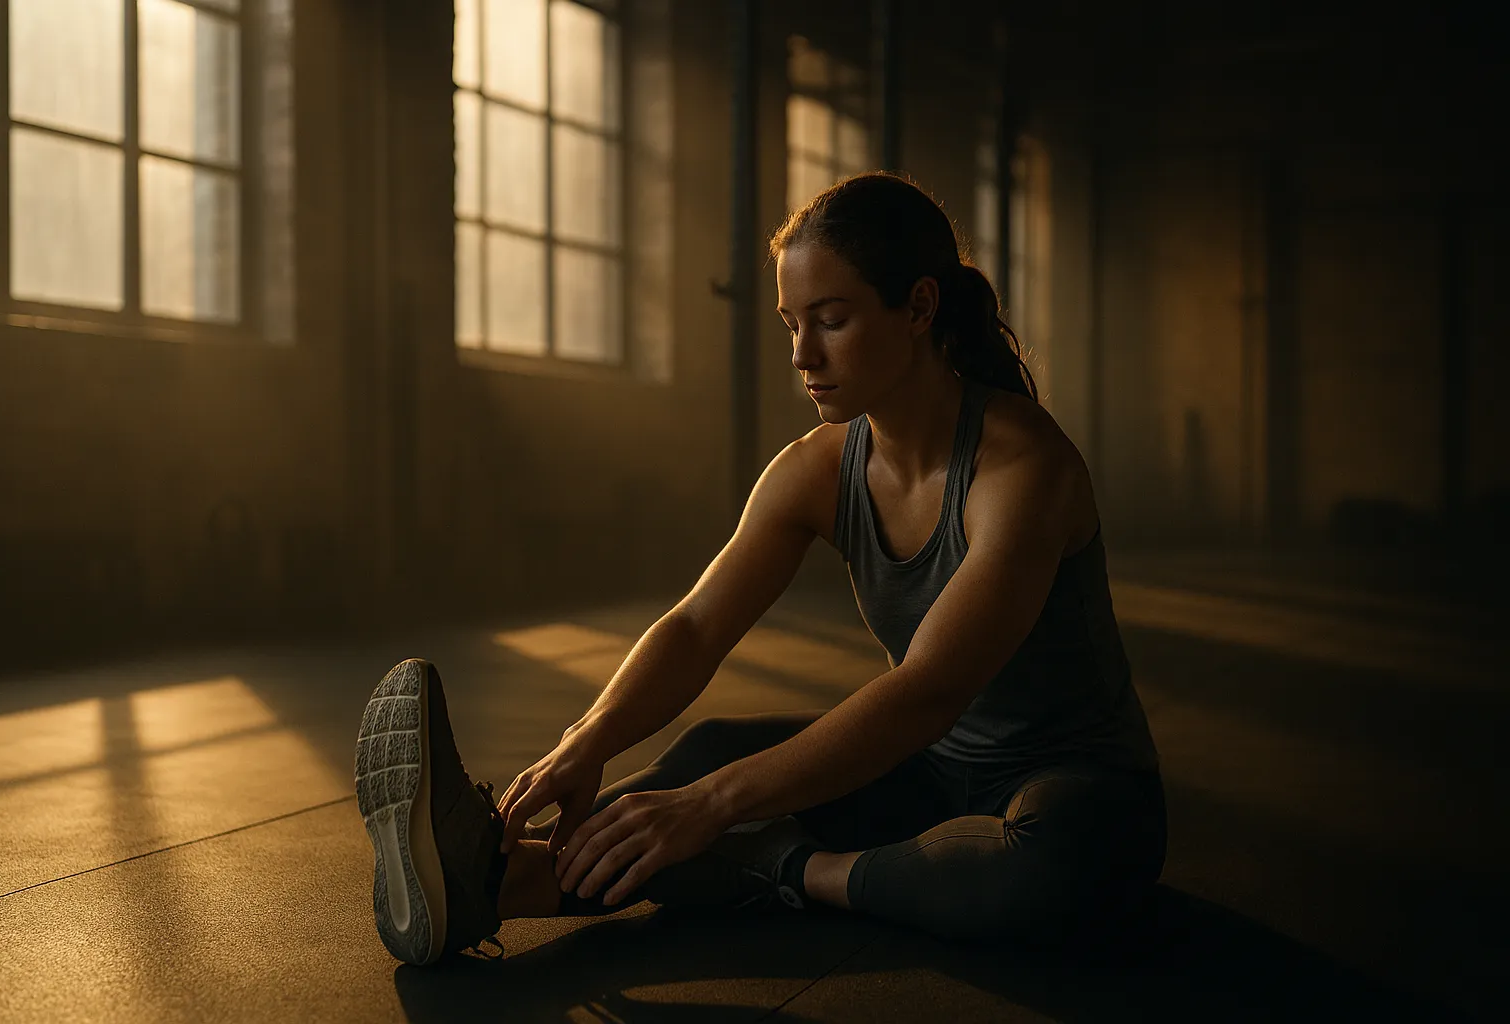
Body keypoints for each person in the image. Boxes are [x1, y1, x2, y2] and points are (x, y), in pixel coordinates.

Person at [353, 171, 1167, 967]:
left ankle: (787, 870)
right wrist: (588, 739)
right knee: (711, 750)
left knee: (1037, 864)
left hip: (1071, 789)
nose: (803, 353)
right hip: (923, 776)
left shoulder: (1024, 468)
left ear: (919, 307)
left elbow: (929, 689)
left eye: (831, 319)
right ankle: (489, 879)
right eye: (790, 324)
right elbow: (697, 626)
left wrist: (713, 813)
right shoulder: (816, 467)